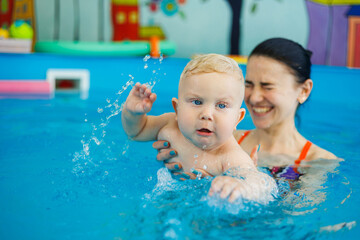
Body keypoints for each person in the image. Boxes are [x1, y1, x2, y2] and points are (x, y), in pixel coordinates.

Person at [153, 38, 337, 180]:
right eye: (249, 84)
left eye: (267, 86)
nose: (254, 97)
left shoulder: (319, 163)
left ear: (303, 90)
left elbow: (299, 223)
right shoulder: (215, 138)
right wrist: (178, 152)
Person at [121, 54, 277, 203]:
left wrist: (242, 187)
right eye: (196, 102)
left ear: (237, 118)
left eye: (221, 105)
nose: (207, 114)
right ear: (177, 108)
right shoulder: (168, 126)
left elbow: (260, 182)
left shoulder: (229, 155)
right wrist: (132, 113)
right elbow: (136, 132)